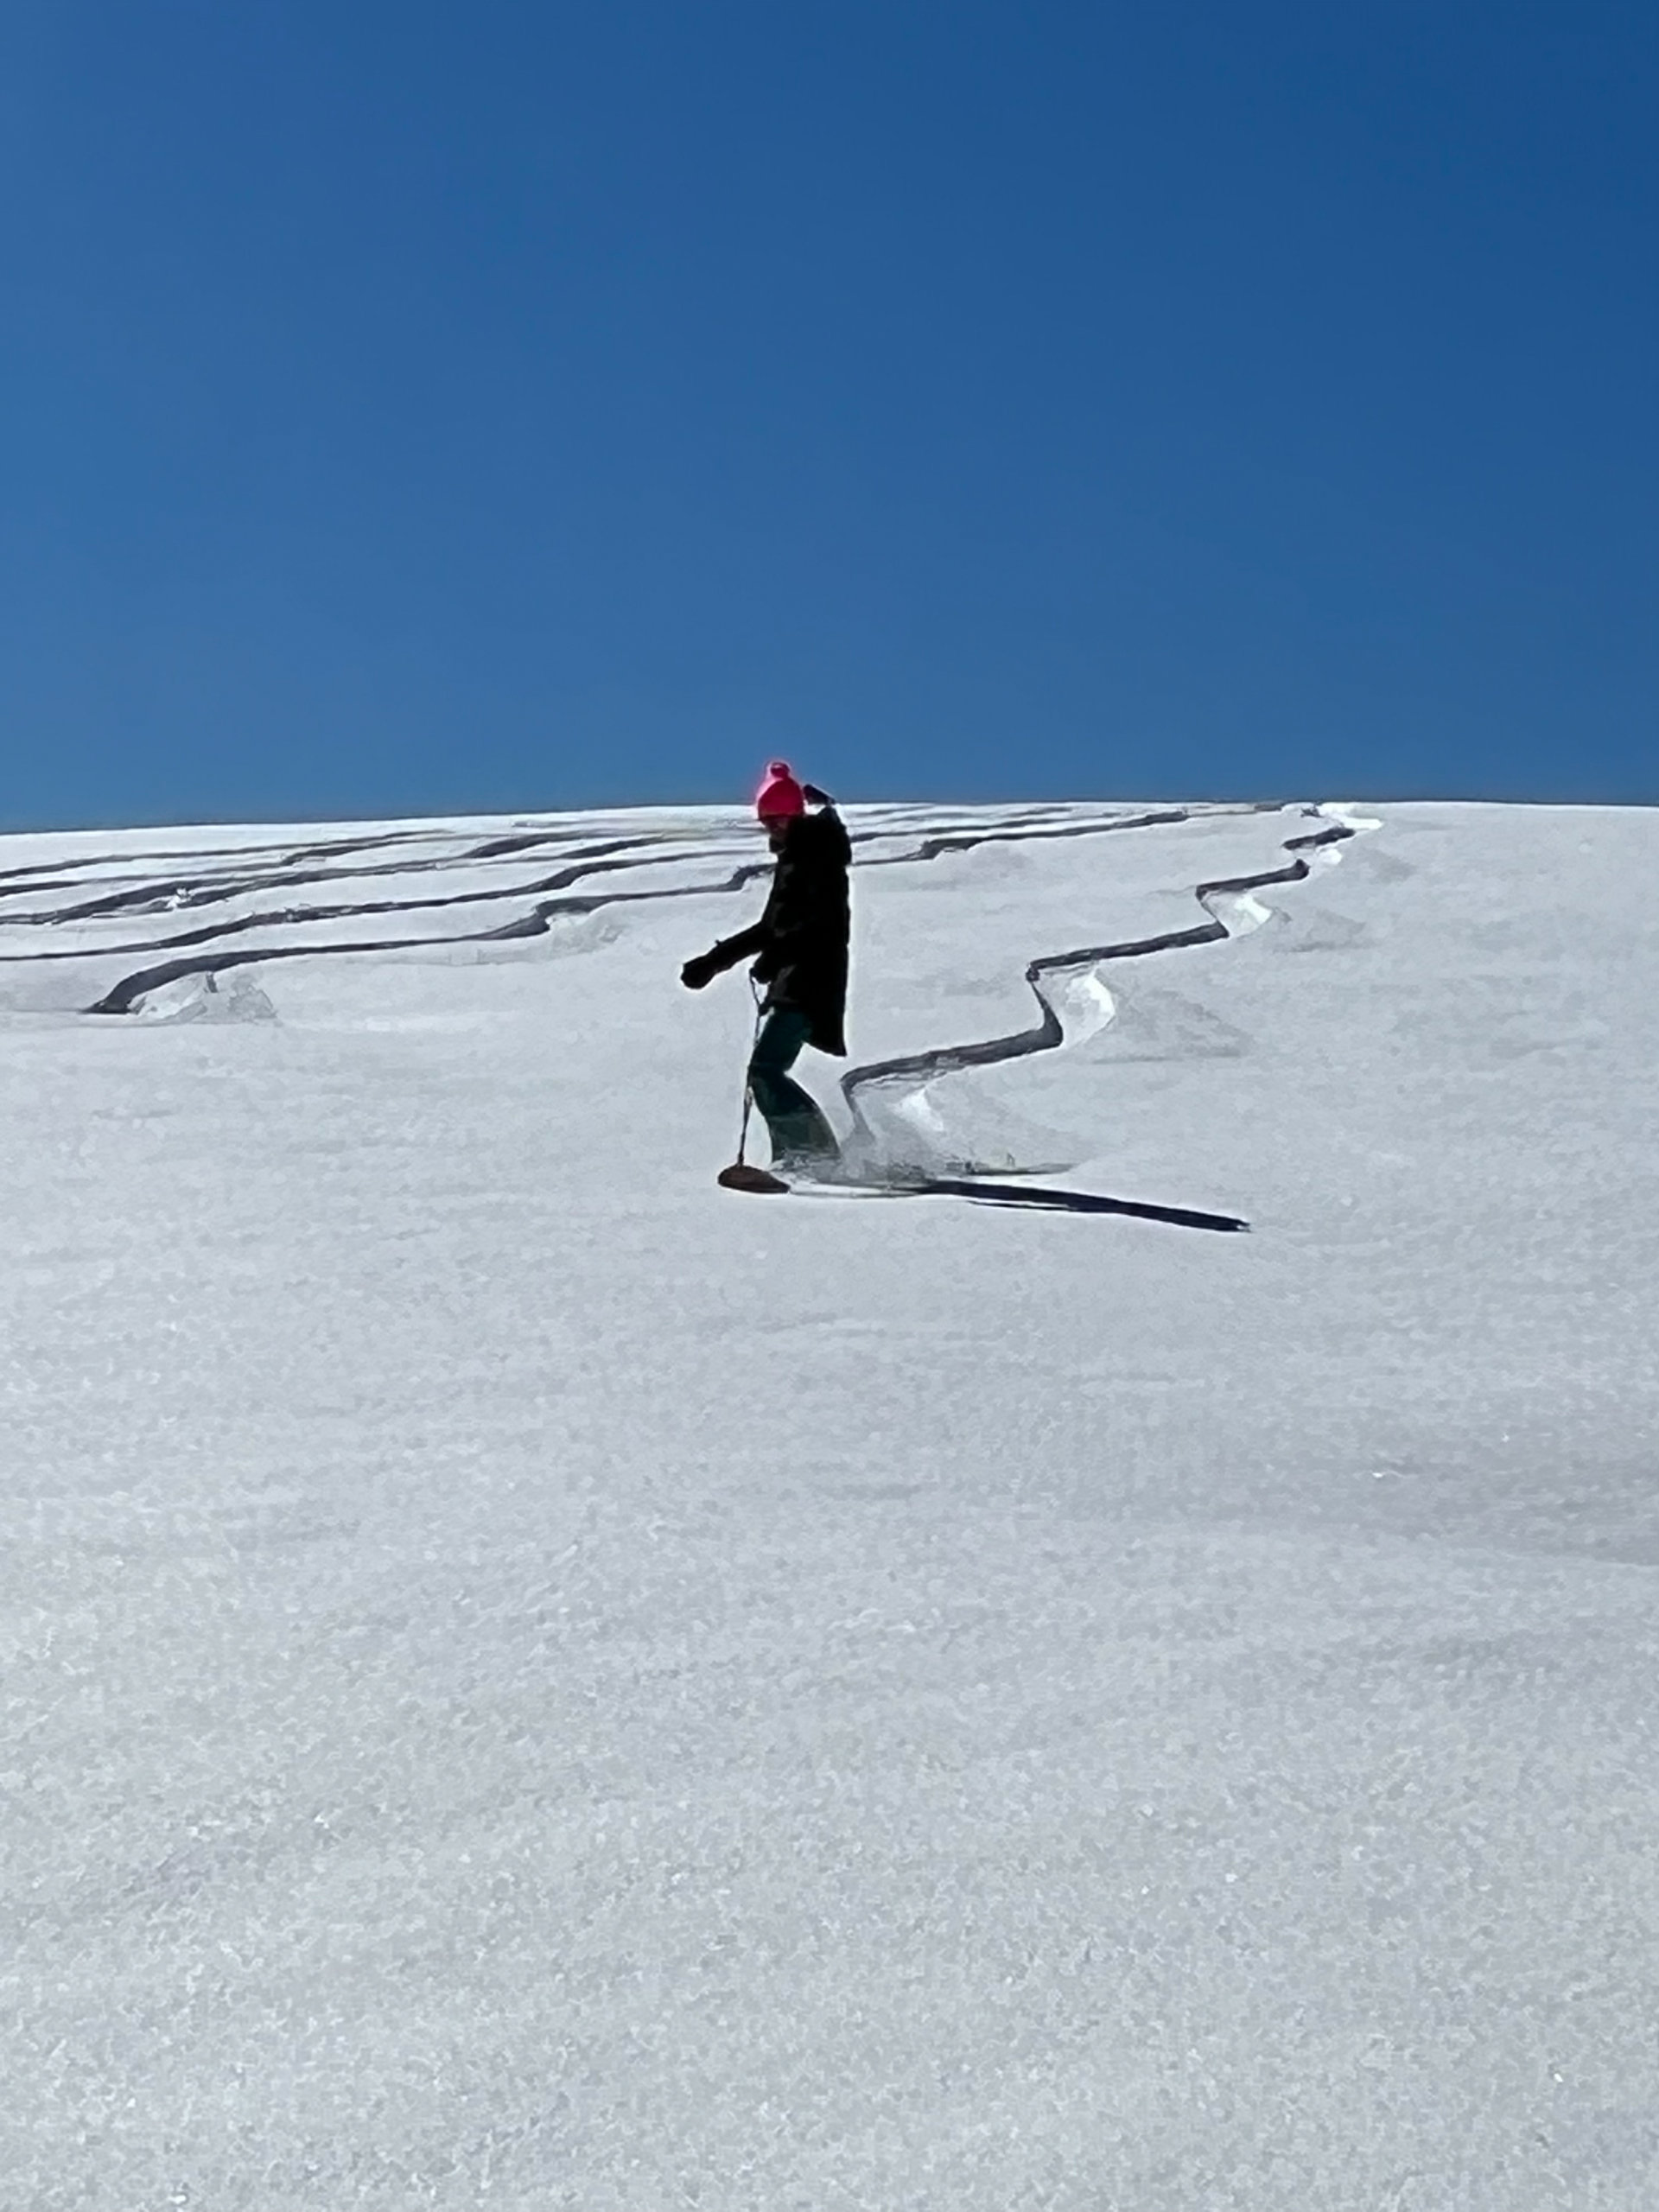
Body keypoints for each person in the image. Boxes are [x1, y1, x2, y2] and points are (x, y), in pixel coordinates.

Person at [681, 761, 851, 1176]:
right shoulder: (799, 856)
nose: (773, 827)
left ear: (796, 815)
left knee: (765, 1070)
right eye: (767, 820)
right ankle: (810, 1156)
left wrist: (775, 956)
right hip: (796, 977)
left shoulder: (815, 858)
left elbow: (817, 922)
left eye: (780, 818)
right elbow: (772, 928)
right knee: (767, 1070)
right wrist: (712, 963)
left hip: (811, 979)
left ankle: (810, 1158)